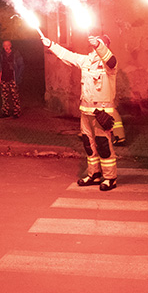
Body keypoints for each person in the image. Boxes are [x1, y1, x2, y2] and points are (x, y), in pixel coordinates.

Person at [40, 33, 122, 191]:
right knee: (89, 146)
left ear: (105, 46)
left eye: (100, 43)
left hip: (101, 114)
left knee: (103, 146)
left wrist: (98, 45)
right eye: (95, 43)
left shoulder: (109, 65)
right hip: (85, 112)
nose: (95, 45)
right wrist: (50, 44)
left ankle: (110, 178)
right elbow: (67, 55)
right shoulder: (86, 61)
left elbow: (110, 60)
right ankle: (94, 174)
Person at [0, 40, 24, 119]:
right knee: (4, 96)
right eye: (4, 46)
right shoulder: (1, 54)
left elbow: (21, 65)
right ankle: (5, 112)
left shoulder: (15, 54)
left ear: (10, 45)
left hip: (13, 78)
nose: (6, 47)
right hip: (4, 78)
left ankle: (16, 112)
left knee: (15, 96)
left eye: (7, 45)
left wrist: (18, 76)